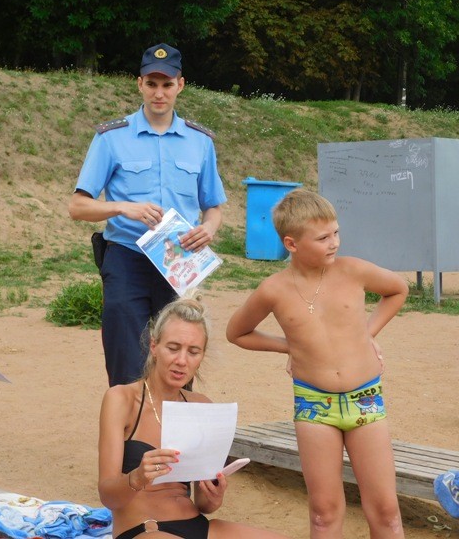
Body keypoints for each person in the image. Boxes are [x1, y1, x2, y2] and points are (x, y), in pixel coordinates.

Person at [226, 188, 408, 538]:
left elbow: (397, 290)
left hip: (364, 398)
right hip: (313, 405)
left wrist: (366, 334)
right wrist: (289, 347)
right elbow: (238, 333)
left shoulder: (353, 270)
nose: (334, 242)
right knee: (324, 514)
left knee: (386, 511)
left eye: (336, 232)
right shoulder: (273, 289)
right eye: (323, 237)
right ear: (292, 244)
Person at [69, 42, 227, 387]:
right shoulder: (112, 138)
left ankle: (172, 437)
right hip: (127, 260)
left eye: (167, 85)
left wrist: (209, 228)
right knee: (126, 362)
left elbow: (213, 205)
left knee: (179, 360)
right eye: (151, 84)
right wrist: (122, 207)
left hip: (179, 265)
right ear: (139, 83)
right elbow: (78, 205)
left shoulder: (200, 142)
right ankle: (130, 437)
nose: (159, 93)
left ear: (180, 86)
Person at [98, 293, 287, 539]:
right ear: (154, 346)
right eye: (173, 348)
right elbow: (108, 496)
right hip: (145, 527)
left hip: (198, 526)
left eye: (193, 352)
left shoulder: (200, 406)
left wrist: (213, 496)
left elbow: (203, 506)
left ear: (202, 356)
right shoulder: (122, 400)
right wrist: (138, 477)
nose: (181, 361)